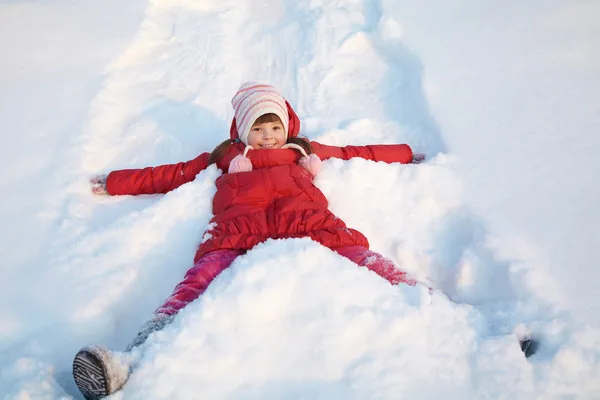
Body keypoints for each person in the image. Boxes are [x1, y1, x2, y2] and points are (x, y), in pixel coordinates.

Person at [72, 82, 425, 400]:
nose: (268, 136)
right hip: (236, 234)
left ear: (286, 127)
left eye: (274, 127)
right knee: (196, 284)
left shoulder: (304, 153)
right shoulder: (225, 158)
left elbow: (355, 152)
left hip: (309, 225)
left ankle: (425, 301)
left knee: (365, 259)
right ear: (243, 131)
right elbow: (169, 174)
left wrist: (406, 153)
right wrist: (115, 182)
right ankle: (130, 358)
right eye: (258, 128)